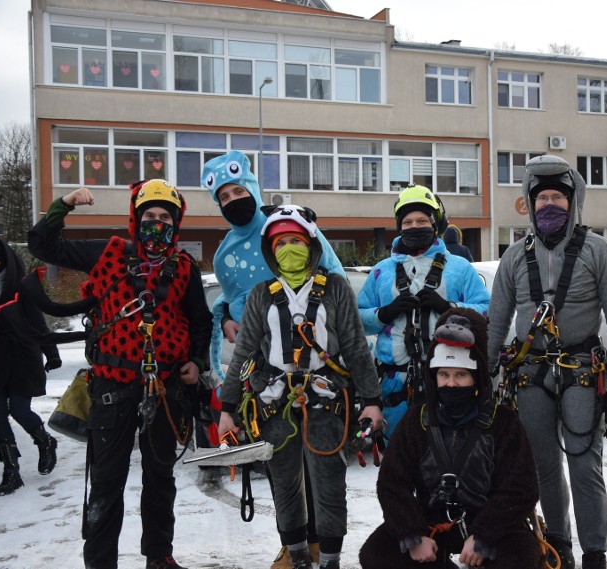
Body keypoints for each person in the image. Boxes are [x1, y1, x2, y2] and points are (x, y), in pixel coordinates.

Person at [28, 180, 213, 569]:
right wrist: (64, 204)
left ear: (175, 223)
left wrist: (197, 361)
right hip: (112, 389)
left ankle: (159, 556)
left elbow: (200, 321)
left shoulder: (183, 268)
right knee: (107, 483)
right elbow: (43, 246)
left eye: (165, 217)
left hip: (165, 388)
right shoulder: (107, 253)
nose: (156, 224)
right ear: (136, 218)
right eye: (149, 216)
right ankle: (100, 563)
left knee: (160, 479)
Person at [217, 205, 383, 569]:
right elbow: (244, 352)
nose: (289, 248)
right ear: (270, 251)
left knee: (329, 487)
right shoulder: (262, 295)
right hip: (274, 407)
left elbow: (356, 347)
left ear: (311, 245)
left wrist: (372, 401)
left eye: (296, 241)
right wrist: (228, 408)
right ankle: (296, 556)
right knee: (286, 486)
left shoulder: (335, 288)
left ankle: (329, 560)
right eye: (281, 243)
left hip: (325, 406)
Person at [487, 155, 607, 569]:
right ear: (530, 204)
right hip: (530, 373)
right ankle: (559, 545)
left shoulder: (599, 250)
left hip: (582, 370)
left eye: (559, 197)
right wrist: (487, 374)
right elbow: (497, 319)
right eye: (542, 197)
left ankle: (595, 554)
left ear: (574, 200)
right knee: (542, 466)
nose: (550, 204)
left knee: (585, 465)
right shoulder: (515, 256)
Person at [201, 150, 343, 568]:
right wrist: (225, 314)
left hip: (318, 366)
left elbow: (333, 279)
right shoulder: (224, 255)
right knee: (284, 466)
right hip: (267, 376)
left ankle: (322, 544)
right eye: (223, 196)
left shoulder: (292, 223)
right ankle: (293, 545)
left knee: (319, 461)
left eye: (237, 189)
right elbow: (236, 302)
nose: (232, 200)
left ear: (253, 186)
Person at [359, 307, 544, 569]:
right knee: (376, 554)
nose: (451, 384)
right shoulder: (417, 420)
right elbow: (392, 483)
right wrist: (413, 534)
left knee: (520, 559)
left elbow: (521, 489)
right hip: (430, 523)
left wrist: (484, 535)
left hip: (490, 523)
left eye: (461, 375)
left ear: (476, 377)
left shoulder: (503, 422)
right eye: (444, 375)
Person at [357, 185, 490, 437]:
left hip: (448, 381)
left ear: (435, 223)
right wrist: (385, 313)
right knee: (399, 458)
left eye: (422, 220)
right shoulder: (381, 271)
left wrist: (448, 309)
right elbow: (358, 321)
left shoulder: (459, 268)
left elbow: (484, 311)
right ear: (399, 226)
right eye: (407, 222)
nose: (414, 226)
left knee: (448, 451)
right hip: (395, 384)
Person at [0, 236, 61, 495]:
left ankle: (45, 442)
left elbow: (38, 323)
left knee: (19, 410)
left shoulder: (21, 286)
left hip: (22, 358)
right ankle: (11, 470)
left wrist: (51, 353)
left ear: (5, 261)